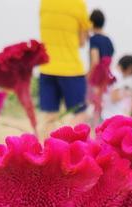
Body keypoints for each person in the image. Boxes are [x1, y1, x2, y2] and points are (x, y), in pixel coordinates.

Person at [39, 0, 91, 132]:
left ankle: (49, 149)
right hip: (70, 69)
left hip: (47, 67)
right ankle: (64, 138)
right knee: (81, 113)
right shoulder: (78, 4)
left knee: (50, 117)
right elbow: (81, 41)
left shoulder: (45, 2)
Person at [101, 55, 132, 120]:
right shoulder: (118, 76)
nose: (129, 75)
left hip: (107, 114)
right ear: (130, 68)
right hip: (113, 115)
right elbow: (114, 97)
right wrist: (127, 94)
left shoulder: (111, 73)